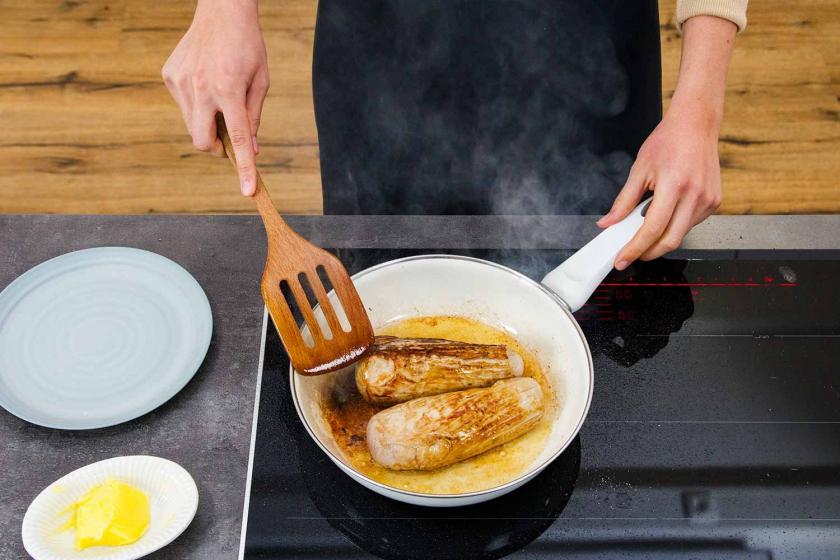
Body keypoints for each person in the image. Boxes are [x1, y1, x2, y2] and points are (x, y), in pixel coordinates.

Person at [163, 0, 748, 270]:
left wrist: (699, 109)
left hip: (587, 51)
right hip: (383, 45)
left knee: (604, 301)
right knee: (384, 292)